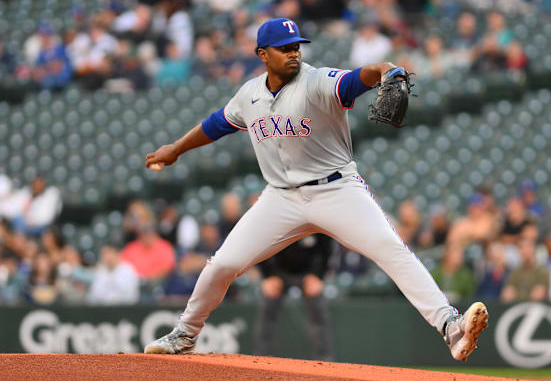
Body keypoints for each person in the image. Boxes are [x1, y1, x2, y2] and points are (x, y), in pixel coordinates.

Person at [143, 18, 488, 361]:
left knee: (390, 248)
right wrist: (175, 148)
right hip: (280, 197)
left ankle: (450, 326)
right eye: (284, 48)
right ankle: (185, 333)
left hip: (336, 190)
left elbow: (356, 79)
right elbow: (216, 124)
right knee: (222, 264)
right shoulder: (249, 95)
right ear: (263, 54)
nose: (293, 54)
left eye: (296, 47)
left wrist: (383, 68)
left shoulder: (317, 81)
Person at [254, 234, 334, 361]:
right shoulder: (278, 218)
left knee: (319, 313)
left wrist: (318, 276)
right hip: (278, 272)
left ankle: (324, 361)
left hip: (309, 273)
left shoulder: (315, 218)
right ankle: (262, 359)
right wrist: (268, 275)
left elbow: (327, 249)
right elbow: (259, 243)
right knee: (267, 310)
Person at [500, 238, 549, 303]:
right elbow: (507, 294)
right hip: (516, 307)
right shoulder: (515, 272)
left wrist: (518, 296)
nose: (525, 250)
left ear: (534, 249)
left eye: (528, 247)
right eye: (522, 248)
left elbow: (538, 295)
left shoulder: (542, 272)